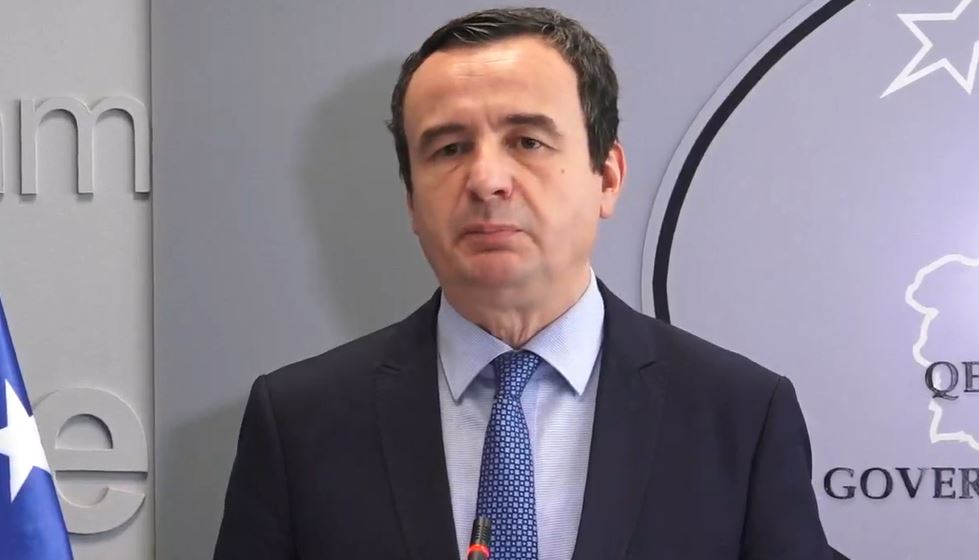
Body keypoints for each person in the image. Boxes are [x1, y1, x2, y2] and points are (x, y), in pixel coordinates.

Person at [214, 7, 835, 560]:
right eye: (449, 148)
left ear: (607, 177)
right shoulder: (298, 422)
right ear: (411, 201)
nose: (487, 180)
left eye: (527, 141)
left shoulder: (740, 416)